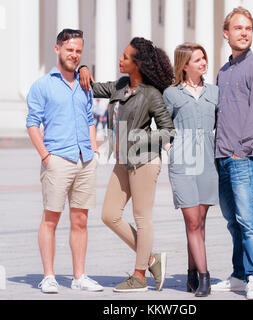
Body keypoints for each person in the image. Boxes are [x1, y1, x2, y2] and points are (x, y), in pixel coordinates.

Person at [79, 37, 175, 292]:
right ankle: (152, 259)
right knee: (109, 215)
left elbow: (168, 131)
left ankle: (140, 276)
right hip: (123, 161)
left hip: (144, 161)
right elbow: (91, 87)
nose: (120, 59)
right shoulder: (120, 85)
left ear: (137, 63)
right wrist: (82, 69)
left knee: (142, 219)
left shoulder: (152, 95)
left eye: (125, 56)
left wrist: (143, 137)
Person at [26, 29, 103, 294]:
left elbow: (90, 119)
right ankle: (48, 276)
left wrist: (93, 148)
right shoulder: (42, 86)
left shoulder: (85, 84)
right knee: (51, 218)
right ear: (57, 48)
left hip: (85, 159)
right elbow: (32, 123)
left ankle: (79, 276)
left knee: (80, 219)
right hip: (57, 158)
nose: (74, 54)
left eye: (78, 51)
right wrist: (45, 156)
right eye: (69, 49)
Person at [212, 7, 253, 300]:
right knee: (232, 220)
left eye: (248, 28)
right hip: (221, 157)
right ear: (227, 33)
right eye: (238, 28)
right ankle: (238, 275)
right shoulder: (223, 72)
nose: (244, 33)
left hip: (242, 157)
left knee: (248, 220)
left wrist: (240, 152)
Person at [163, 43, 219, 297]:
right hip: (183, 162)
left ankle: (191, 275)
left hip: (207, 162)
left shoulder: (214, 92)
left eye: (204, 58)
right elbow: (163, 123)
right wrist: (168, 144)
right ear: (184, 66)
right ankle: (204, 278)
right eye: (197, 59)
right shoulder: (171, 94)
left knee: (200, 223)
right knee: (192, 221)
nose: (203, 62)